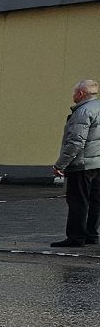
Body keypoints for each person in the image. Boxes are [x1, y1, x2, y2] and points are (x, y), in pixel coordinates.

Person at [52, 78, 100, 248]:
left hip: (82, 164)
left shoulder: (82, 112)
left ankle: (75, 237)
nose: (73, 95)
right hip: (97, 164)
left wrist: (60, 164)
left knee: (77, 201)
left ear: (81, 93)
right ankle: (91, 234)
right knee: (95, 200)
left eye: (74, 92)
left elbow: (76, 142)